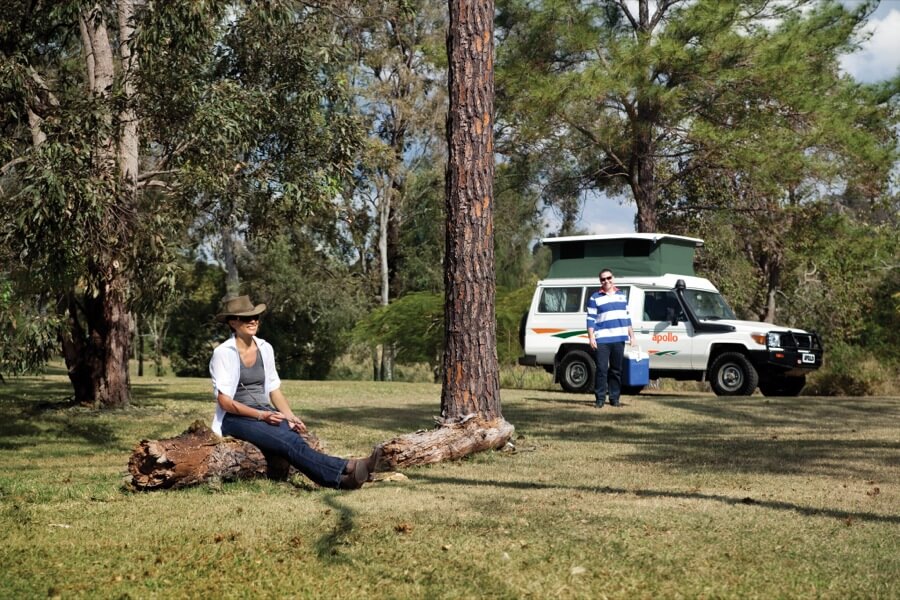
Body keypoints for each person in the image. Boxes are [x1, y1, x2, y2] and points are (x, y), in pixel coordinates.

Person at [209, 295, 380, 489]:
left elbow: (274, 389)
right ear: (233, 322)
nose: (253, 321)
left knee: (294, 440)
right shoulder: (223, 353)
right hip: (236, 418)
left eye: (256, 317)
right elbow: (224, 402)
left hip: (265, 412)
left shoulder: (265, 348)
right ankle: (350, 465)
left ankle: (344, 481)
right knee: (288, 441)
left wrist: (290, 416)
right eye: (247, 318)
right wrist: (262, 415)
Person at [586, 269, 634, 408]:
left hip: (619, 338)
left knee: (616, 370)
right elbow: (590, 319)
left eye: (608, 278)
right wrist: (591, 337)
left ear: (613, 278)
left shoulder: (622, 296)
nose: (606, 281)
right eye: (603, 279)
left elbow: (627, 317)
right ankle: (600, 399)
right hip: (602, 339)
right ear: (600, 281)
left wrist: (632, 336)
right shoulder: (595, 297)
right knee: (601, 369)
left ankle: (614, 399)